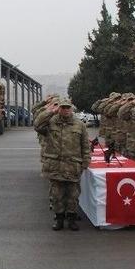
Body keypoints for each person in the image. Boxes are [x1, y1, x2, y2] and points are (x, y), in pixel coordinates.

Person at [34, 97, 90, 231]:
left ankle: (71, 219)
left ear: (71, 109)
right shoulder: (51, 122)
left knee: (73, 195)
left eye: (67, 107)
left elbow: (85, 145)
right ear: (59, 108)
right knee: (57, 195)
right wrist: (50, 111)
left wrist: (85, 161)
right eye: (63, 107)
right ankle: (59, 219)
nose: (65, 110)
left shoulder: (79, 124)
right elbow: (37, 125)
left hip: (72, 165)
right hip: (55, 165)